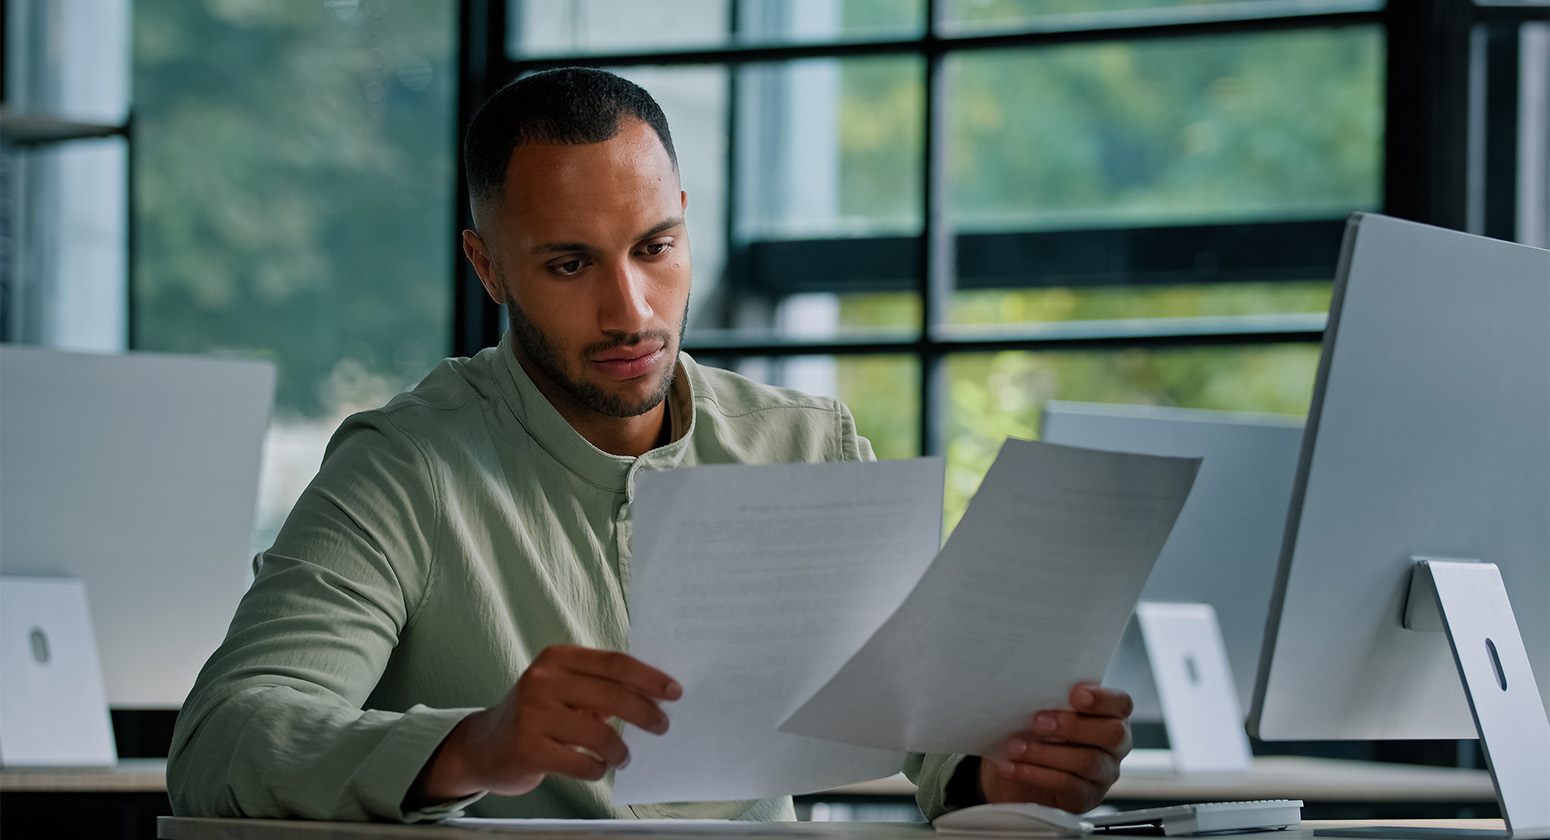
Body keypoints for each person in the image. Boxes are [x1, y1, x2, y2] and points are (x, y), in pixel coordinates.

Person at [167, 67, 1134, 823]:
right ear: (488, 267)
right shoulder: (402, 467)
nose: (630, 309)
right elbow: (220, 742)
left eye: (654, 247)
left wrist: (997, 771)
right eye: (570, 263)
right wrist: (473, 744)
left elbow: (932, 739)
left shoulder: (808, 444)